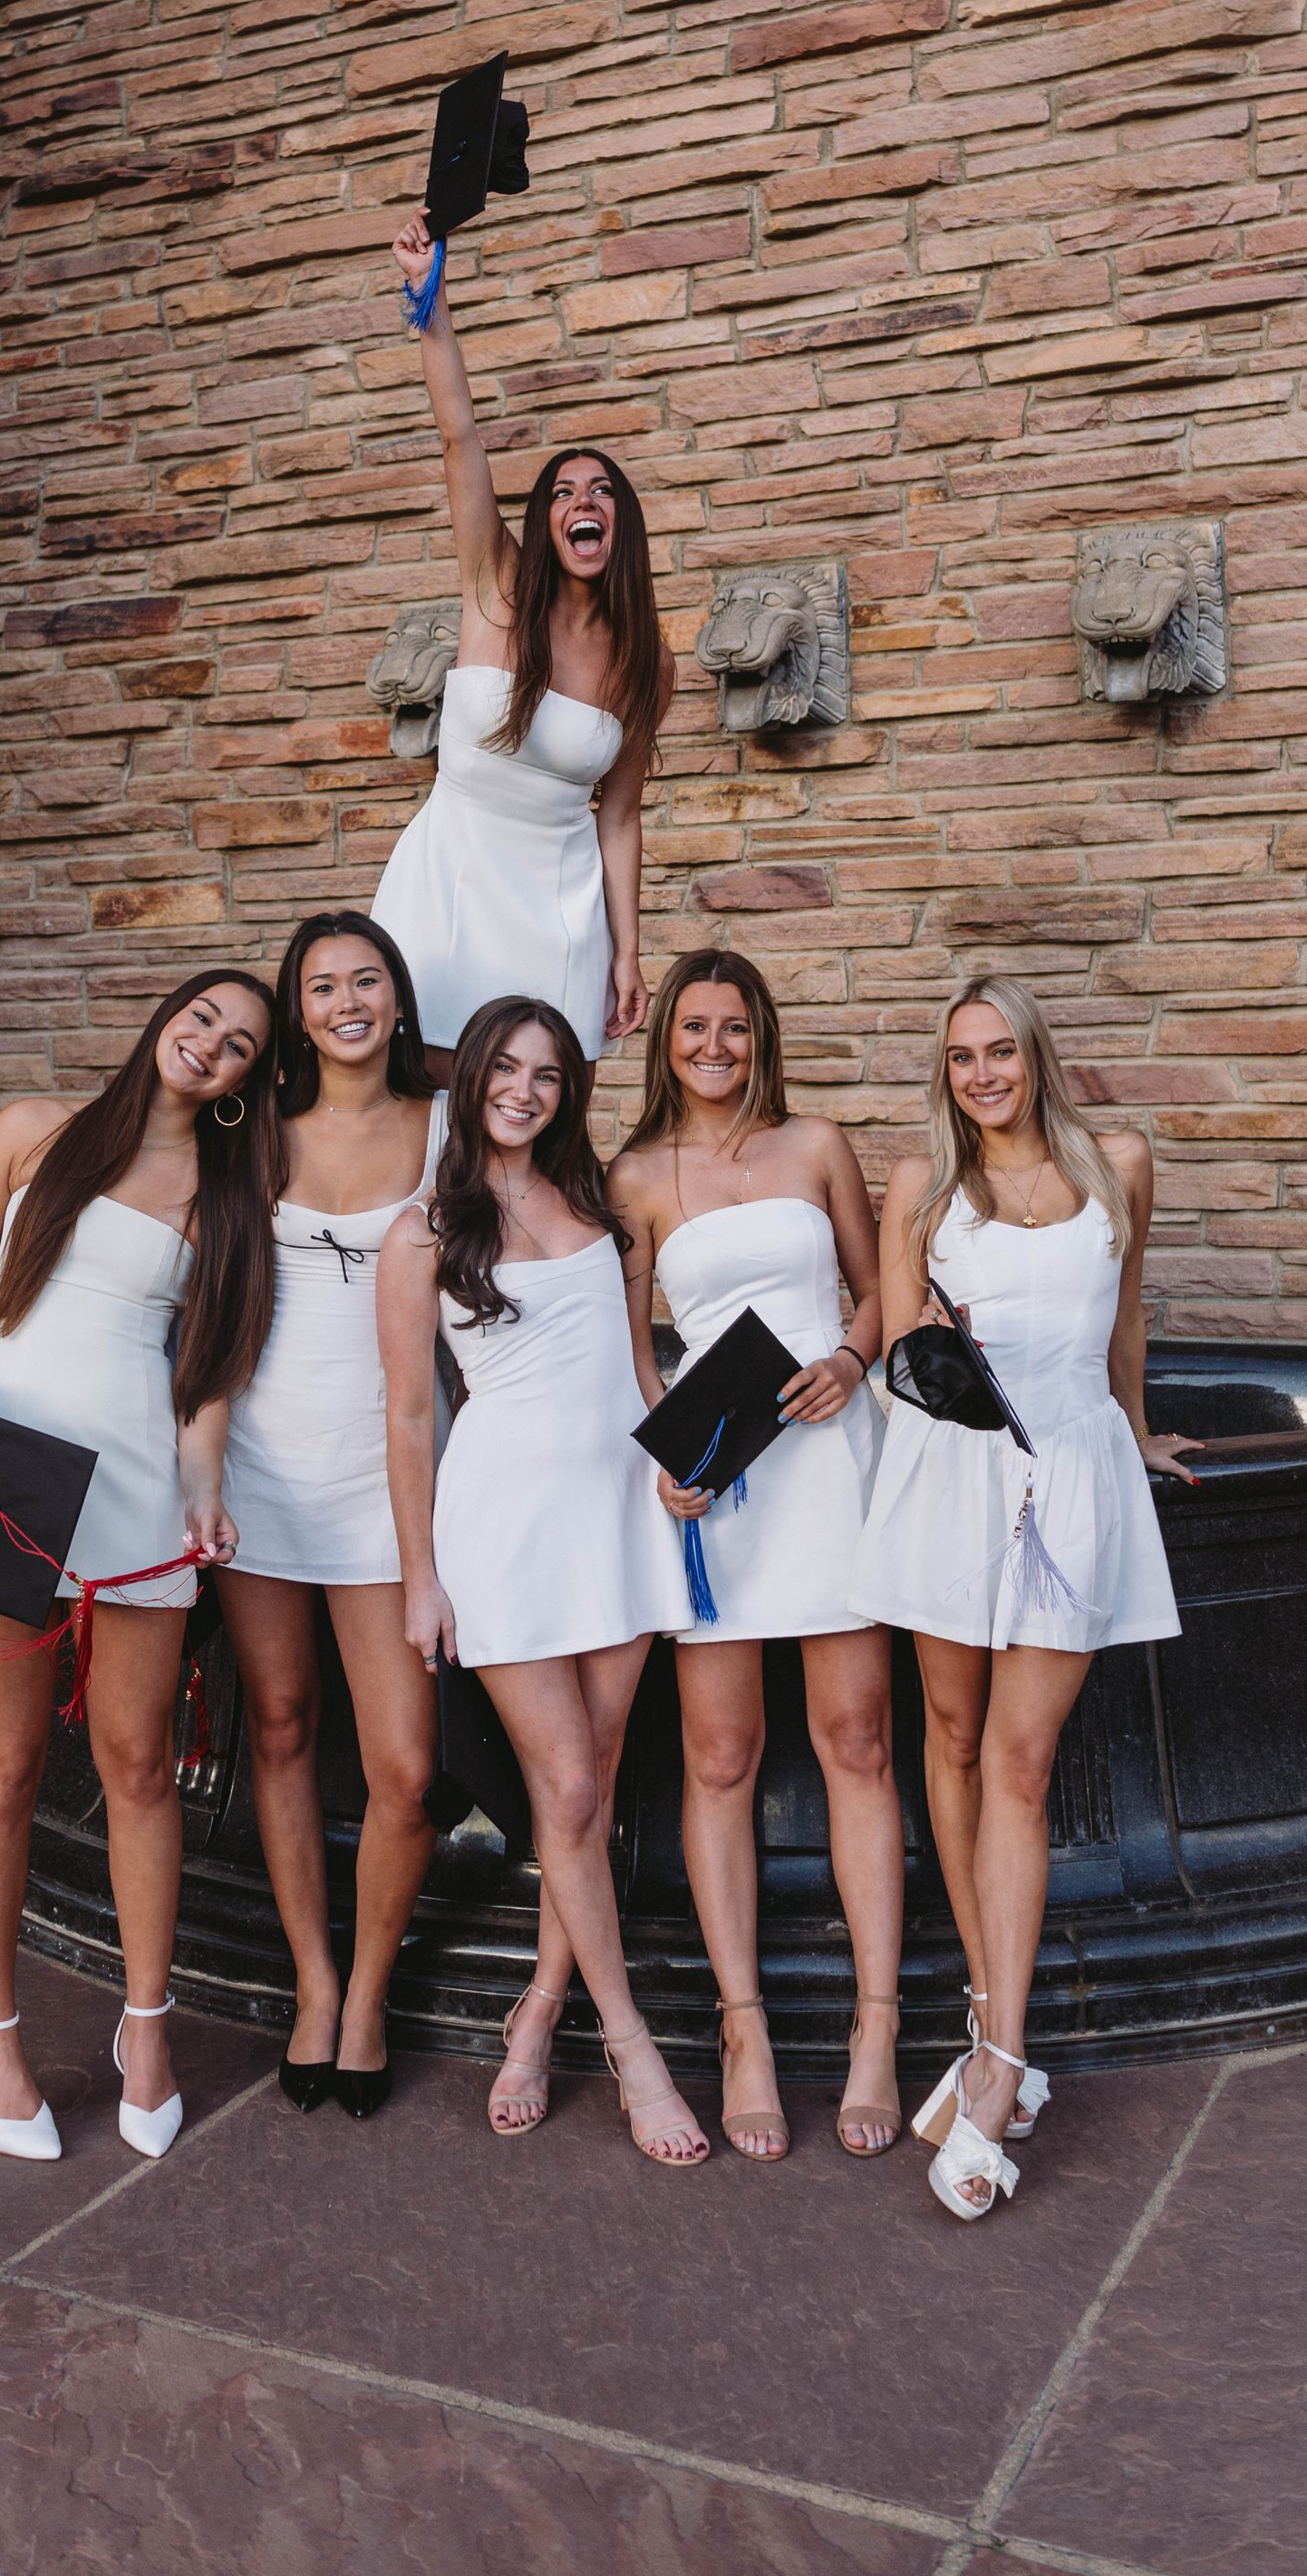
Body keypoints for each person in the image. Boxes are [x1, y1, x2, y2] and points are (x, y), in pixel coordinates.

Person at [0, 970, 279, 2164]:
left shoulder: (228, 1194)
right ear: (168, 1014)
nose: (211, 1044)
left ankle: (146, 2029)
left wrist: (205, 1486)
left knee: (138, 1766)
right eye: (203, 1017)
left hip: (134, 1488)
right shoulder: (30, 1130)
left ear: (243, 1087)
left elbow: (212, 1370)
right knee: (3, 1768)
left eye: (240, 1047)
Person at [850, 976, 1196, 2221]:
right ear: (944, 1074)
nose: (983, 1073)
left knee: (1020, 1756)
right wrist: (927, 1334)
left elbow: (1129, 1318)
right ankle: (992, 2016)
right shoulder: (923, 1192)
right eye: (961, 1058)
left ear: (1037, 1054)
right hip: (956, 1479)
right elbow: (904, 1363)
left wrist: (1141, 1435)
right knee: (950, 1737)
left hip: (1078, 1479)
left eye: (1001, 1050)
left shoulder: (1119, 1164)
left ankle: (998, 2066)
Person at [378, 994, 708, 2164]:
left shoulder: (604, 1208)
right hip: (505, 1525)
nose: (524, 1089)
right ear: (471, 1081)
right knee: (566, 1788)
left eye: (548, 1073)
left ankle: (536, 2008)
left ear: (568, 1090)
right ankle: (631, 2043)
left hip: (619, 1514)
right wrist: (422, 1575)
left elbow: (636, 1371)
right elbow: (412, 1416)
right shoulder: (423, 1234)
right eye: (504, 1068)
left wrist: (688, 1468)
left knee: (598, 1777)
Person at [606, 948, 903, 2163]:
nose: (715, 1045)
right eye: (693, 1026)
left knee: (857, 1738)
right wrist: (660, 1460)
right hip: (718, 1472)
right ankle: (744, 2028)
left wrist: (852, 1356)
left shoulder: (817, 1141)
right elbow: (629, 1346)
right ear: (665, 1039)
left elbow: (887, 1287)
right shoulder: (630, 1174)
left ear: (760, 1033)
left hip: (828, 1455)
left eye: (735, 1025)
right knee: (719, 1754)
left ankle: (878, 2028)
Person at [192, 911, 444, 2123]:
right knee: (280, 1723)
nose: (348, 999)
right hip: (264, 1470)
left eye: (368, 979)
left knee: (404, 1767)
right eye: (323, 984)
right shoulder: (251, 1131)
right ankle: (314, 1981)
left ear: (398, 996)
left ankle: (373, 1992)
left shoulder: (448, 1123)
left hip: (395, 1482)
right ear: (298, 1011)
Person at [371, 210, 672, 1068]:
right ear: (544, 522)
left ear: (622, 524)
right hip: (448, 887)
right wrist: (430, 303)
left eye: (603, 490)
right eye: (563, 491)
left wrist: (627, 949)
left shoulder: (648, 663)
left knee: (536, 1119)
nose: (584, 500)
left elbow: (617, 817)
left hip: (559, 912)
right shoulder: (493, 584)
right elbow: (459, 433)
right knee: (421, 1097)